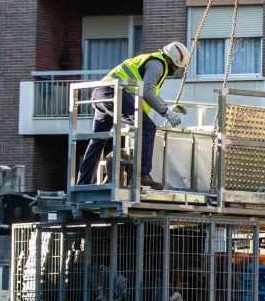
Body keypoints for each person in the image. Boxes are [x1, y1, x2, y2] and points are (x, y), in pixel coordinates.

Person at [74, 42, 191, 190]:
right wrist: (166, 113)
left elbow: (147, 92)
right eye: (177, 66)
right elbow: (148, 92)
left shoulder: (152, 60)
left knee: (98, 139)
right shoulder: (158, 65)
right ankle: (142, 174)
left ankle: (83, 183)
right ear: (172, 61)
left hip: (102, 93)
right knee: (147, 127)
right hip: (116, 92)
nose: (176, 70)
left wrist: (167, 107)